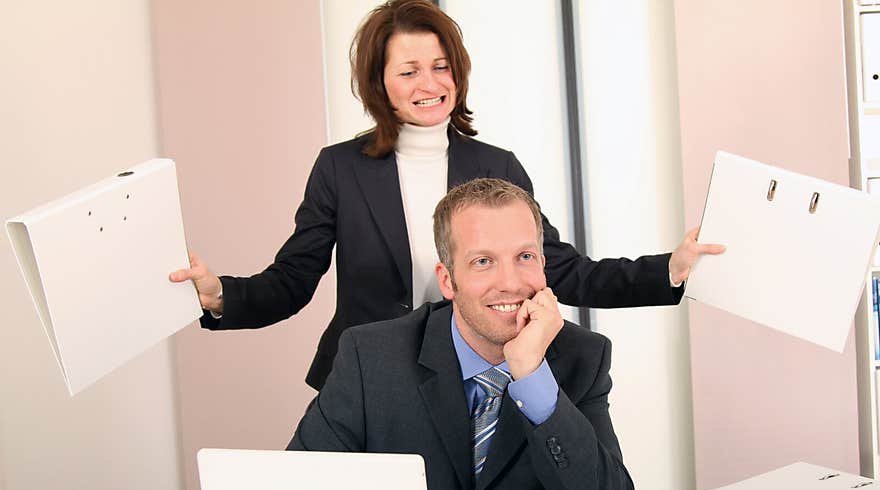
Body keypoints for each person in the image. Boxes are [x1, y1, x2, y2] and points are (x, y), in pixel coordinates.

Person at [170, 0, 723, 391]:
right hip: (368, 378)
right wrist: (219, 295)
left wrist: (668, 269)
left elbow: (561, 270)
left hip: (478, 371)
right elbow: (292, 282)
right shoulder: (340, 168)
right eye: (408, 71)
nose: (428, 84)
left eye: (439, 67)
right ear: (379, 83)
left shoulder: (495, 167)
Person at [289, 178, 634, 490]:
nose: (511, 282)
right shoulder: (370, 356)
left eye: (524, 256)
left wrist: (533, 375)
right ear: (448, 280)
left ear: (543, 265)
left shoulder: (582, 357)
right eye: (483, 261)